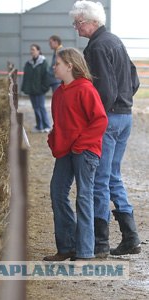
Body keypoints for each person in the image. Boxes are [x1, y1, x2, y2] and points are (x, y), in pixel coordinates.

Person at [69, 0, 141, 258]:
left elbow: (105, 91)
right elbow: (135, 80)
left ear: (90, 21)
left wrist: (95, 118)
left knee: (99, 178)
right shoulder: (115, 40)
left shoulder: (97, 47)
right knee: (113, 175)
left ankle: (100, 242)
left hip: (108, 119)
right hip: (125, 117)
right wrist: (124, 102)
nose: (76, 28)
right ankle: (130, 236)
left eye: (77, 23)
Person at [43, 47, 108, 261]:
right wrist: (54, 139)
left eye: (57, 63)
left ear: (69, 65)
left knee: (83, 196)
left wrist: (81, 144)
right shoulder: (59, 92)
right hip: (65, 151)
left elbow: (100, 120)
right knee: (57, 192)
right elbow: (59, 123)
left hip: (85, 151)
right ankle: (67, 246)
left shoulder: (86, 89)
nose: (54, 67)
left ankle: (85, 251)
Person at [21, 44, 51, 133]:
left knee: (41, 107)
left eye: (33, 50)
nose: (31, 51)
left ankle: (47, 126)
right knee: (35, 108)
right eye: (31, 50)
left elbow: (46, 76)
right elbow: (26, 77)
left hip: (40, 90)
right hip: (32, 90)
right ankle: (39, 126)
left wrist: (44, 88)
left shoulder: (43, 63)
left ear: (38, 51)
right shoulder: (28, 63)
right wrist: (25, 88)